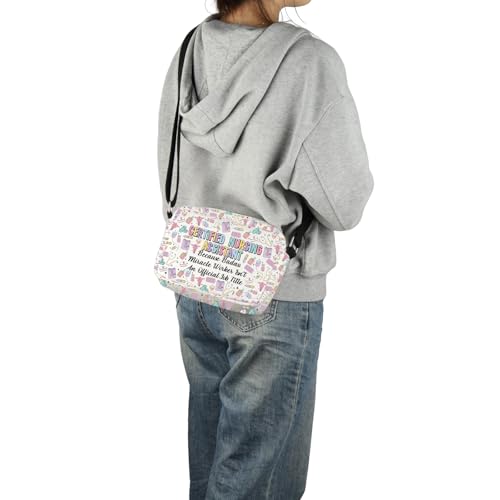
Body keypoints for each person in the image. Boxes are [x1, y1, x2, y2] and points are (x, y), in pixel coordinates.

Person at [157, 1, 374, 498]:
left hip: (196, 278)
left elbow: (172, 168)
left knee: (213, 471)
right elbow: (345, 204)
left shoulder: (191, 49)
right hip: (273, 293)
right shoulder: (309, 63)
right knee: (260, 484)